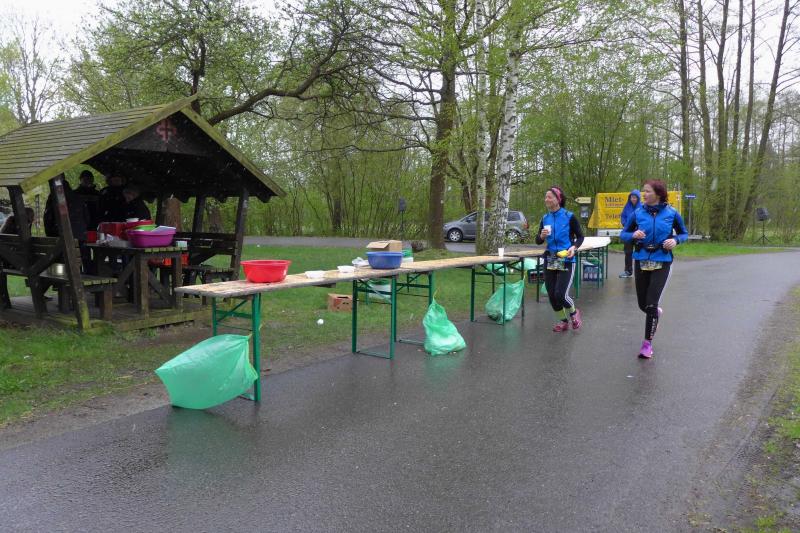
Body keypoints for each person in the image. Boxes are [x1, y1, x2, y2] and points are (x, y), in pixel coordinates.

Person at [619, 179, 688, 359]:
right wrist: (633, 235)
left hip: (662, 261)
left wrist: (675, 240)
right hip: (641, 260)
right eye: (643, 191)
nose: (644, 194)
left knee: (651, 303)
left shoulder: (672, 213)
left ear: (658, 194)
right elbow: (623, 234)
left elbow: (684, 233)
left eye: (648, 191)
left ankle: (647, 344)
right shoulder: (637, 213)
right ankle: (655, 314)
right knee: (643, 304)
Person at [535, 186, 585, 332]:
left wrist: (574, 247)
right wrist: (541, 236)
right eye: (545, 197)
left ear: (558, 199)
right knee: (552, 295)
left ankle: (574, 313)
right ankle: (563, 321)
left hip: (566, 259)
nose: (546, 199)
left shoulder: (569, 216)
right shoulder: (545, 218)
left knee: (560, 294)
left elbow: (580, 236)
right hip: (551, 258)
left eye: (549, 197)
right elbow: (538, 240)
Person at [618, 189, 641, 278]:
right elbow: (623, 216)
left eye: (635, 197)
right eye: (632, 197)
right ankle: (628, 271)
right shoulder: (627, 207)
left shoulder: (642, 207)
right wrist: (625, 224)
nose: (633, 199)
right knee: (628, 252)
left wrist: (638, 227)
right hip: (628, 233)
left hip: (638, 233)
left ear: (638, 198)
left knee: (639, 252)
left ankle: (640, 271)